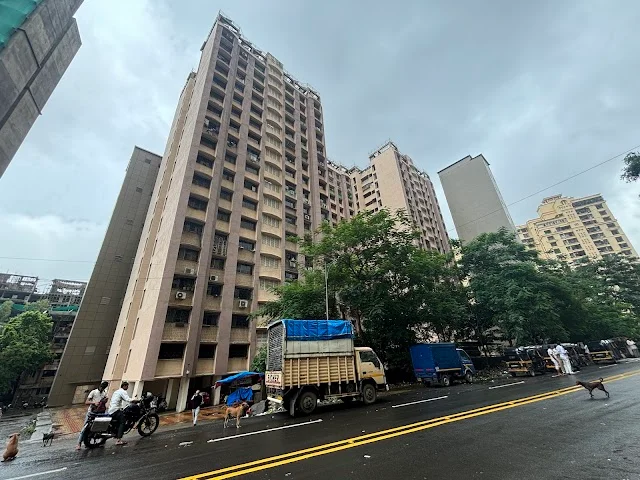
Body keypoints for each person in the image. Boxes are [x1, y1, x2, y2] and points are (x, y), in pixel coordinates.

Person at [76, 381, 109, 450]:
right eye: (101, 387)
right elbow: (86, 402)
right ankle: (79, 443)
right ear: (100, 386)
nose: (102, 389)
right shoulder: (93, 392)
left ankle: (100, 441)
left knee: (100, 427)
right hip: (92, 412)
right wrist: (94, 403)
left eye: (103, 388)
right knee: (85, 428)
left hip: (100, 412)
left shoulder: (104, 393)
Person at [108, 381, 139, 445]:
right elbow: (128, 399)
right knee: (123, 422)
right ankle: (119, 440)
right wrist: (136, 400)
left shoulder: (117, 391)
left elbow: (124, 400)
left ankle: (117, 433)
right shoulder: (123, 391)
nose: (127, 387)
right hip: (115, 410)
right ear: (124, 386)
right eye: (127, 386)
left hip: (111, 410)